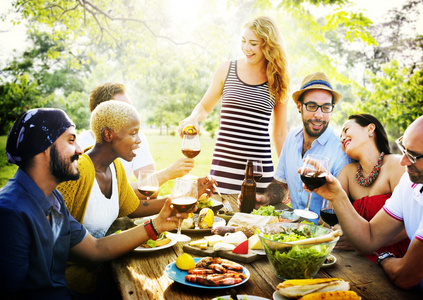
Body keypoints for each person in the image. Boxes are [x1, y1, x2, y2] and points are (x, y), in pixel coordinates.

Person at [0, 108, 194, 299]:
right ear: (43, 148)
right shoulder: (11, 213)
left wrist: (157, 225)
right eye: (70, 140)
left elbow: (95, 249)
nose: (79, 149)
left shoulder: (53, 199)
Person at [57, 101, 215, 295]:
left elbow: (135, 207)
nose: (139, 140)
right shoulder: (78, 172)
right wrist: (156, 225)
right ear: (108, 135)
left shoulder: (114, 167)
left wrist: (186, 195)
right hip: (71, 284)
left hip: (105, 268)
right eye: (133, 133)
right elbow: (55, 237)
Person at [177, 16, 290, 194]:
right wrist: (193, 118)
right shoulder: (226, 70)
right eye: (244, 41)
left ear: (268, 46)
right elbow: (205, 107)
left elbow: (280, 133)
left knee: (257, 221)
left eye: (253, 43)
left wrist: (287, 175)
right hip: (224, 169)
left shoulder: (278, 80)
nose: (246, 48)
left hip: (259, 174)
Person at [310, 115, 423, 290]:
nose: (404, 161)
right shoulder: (409, 182)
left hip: (398, 263)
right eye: (404, 150)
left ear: (371, 129)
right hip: (364, 258)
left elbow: (405, 274)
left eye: (413, 156)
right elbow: (368, 235)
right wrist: (337, 200)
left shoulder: (398, 168)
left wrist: (380, 254)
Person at [254, 71, 351, 222]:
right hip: (290, 227)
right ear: (299, 106)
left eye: (326, 107)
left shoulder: (341, 150)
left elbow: (343, 207)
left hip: (322, 235)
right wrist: (265, 198)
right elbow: (280, 184)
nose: (319, 115)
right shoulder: (292, 138)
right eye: (312, 106)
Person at [78, 82, 193, 198]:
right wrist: (167, 173)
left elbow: (151, 192)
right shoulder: (82, 148)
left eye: (131, 108)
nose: (131, 114)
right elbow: (108, 197)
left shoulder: (136, 137)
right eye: (123, 110)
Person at [335, 114, 409, 262]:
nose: (342, 138)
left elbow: (413, 221)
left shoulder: (396, 165)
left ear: (370, 128)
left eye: (346, 129)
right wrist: (339, 230)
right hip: (356, 259)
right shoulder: (347, 173)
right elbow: (329, 215)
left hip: (397, 258)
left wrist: (364, 242)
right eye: (340, 136)